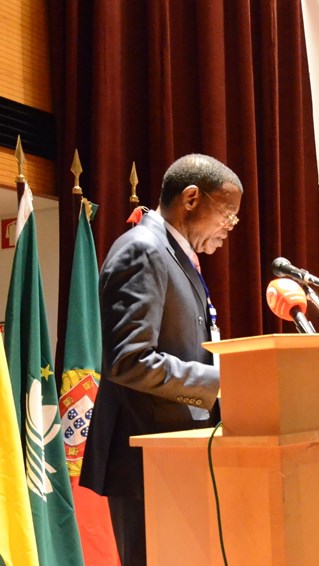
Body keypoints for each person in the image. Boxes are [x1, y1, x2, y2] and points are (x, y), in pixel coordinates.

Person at [81, 154, 243, 565]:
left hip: (177, 456)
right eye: (228, 213)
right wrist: (221, 382)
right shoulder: (143, 250)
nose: (230, 226)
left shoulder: (175, 255)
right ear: (191, 198)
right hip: (145, 461)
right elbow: (129, 360)